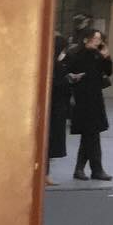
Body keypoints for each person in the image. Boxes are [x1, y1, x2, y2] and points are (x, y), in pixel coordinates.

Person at [67, 27, 113, 182]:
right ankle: (95, 169)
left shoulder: (98, 55)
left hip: (95, 98)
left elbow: (108, 72)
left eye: (100, 39)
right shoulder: (76, 54)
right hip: (81, 98)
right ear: (86, 39)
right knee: (91, 135)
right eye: (95, 39)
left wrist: (106, 57)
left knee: (91, 135)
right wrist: (74, 77)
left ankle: (83, 169)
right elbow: (68, 72)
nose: (98, 42)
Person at [45, 34, 70, 186]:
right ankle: (45, 174)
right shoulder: (57, 66)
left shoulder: (50, 64)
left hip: (52, 109)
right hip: (55, 110)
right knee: (48, 143)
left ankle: (45, 173)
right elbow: (61, 87)